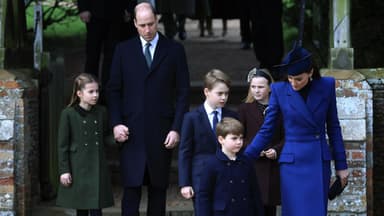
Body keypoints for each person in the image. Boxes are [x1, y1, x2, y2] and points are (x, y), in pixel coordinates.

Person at [244, 45, 349, 215]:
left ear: (310, 72)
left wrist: (341, 165)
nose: (293, 83)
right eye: (290, 78)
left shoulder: (326, 86)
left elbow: (334, 127)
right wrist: (245, 158)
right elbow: (267, 130)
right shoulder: (278, 89)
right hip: (291, 163)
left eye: (298, 78)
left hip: (317, 160)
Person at [106, 2, 190, 216]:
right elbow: (113, 90)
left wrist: (176, 128)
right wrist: (116, 123)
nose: (147, 29)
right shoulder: (123, 50)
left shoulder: (174, 50)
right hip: (130, 131)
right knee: (131, 190)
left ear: (157, 20)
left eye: (151, 24)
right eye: (142, 25)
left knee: (158, 190)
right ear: (134, 23)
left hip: (161, 132)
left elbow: (183, 93)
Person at [178, 69, 238, 214]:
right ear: (207, 92)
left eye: (227, 93)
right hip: (200, 180)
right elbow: (185, 151)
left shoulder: (232, 116)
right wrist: (185, 183)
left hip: (227, 178)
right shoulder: (191, 118)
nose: (224, 97)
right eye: (220, 93)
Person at [56, 73, 114, 216]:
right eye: (91, 92)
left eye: (97, 91)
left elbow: (106, 137)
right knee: (80, 208)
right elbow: (62, 145)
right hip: (78, 167)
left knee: (96, 208)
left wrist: (118, 138)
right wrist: (64, 170)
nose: (95, 95)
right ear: (79, 94)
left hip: (97, 166)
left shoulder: (102, 112)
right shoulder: (68, 114)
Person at [238, 68, 284, 216]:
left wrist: (277, 150)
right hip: (253, 165)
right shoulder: (245, 108)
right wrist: (252, 148)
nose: (256, 91)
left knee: (270, 208)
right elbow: (238, 136)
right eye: (253, 87)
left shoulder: (280, 108)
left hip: (273, 166)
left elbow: (288, 135)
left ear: (270, 87)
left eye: (261, 87)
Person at [197, 117, 264, 216]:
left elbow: (255, 192)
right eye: (234, 138)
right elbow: (204, 196)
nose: (239, 142)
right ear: (221, 139)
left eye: (241, 138)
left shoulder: (246, 162)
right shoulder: (211, 164)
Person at [77, 0, 128, 101]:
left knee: (112, 56)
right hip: (94, 12)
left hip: (116, 11)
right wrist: (83, 7)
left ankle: (108, 93)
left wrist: (129, 6)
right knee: (92, 55)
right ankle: (89, 91)